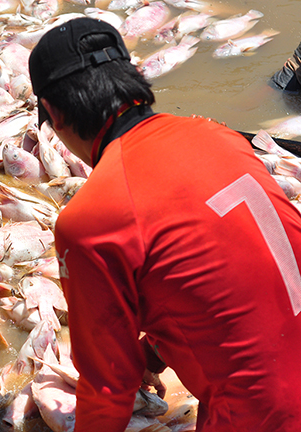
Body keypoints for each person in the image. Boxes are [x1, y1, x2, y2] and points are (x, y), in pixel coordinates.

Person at [28, 17, 301, 432]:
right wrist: (151, 355)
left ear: (53, 113)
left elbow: (106, 391)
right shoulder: (219, 137)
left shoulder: (90, 218)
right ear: (134, 79)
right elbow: (227, 281)